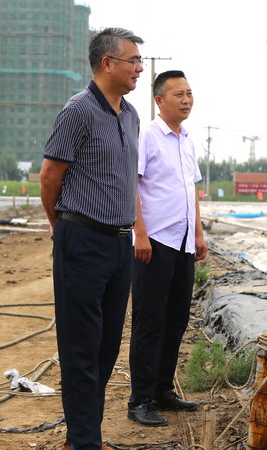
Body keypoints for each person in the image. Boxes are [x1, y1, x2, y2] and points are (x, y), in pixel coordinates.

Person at [40, 27, 144, 450]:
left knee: (105, 348)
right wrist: (60, 226)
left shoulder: (131, 115)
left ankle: (82, 437)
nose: (139, 68)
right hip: (82, 240)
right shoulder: (78, 110)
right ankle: (85, 442)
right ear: (107, 63)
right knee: (81, 348)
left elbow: (128, 182)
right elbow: (50, 176)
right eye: (133, 61)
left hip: (119, 244)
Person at [127, 71, 207, 427]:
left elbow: (192, 191)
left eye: (189, 93)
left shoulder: (187, 140)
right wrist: (140, 233)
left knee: (176, 320)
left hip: (183, 242)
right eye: (179, 94)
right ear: (159, 100)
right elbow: (132, 185)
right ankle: (140, 400)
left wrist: (199, 234)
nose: (186, 100)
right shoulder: (147, 136)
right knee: (149, 322)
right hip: (155, 242)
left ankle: (162, 390)